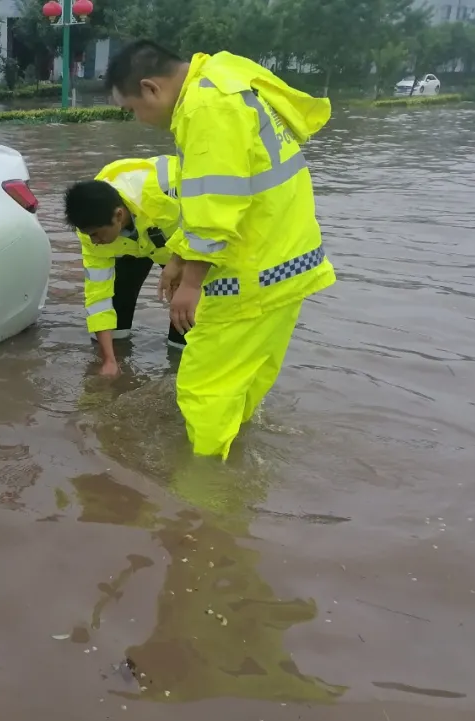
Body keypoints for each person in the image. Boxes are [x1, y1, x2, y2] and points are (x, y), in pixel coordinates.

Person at [104, 41, 337, 459]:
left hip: (249, 275)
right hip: (288, 263)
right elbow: (221, 195)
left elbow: (216, 207)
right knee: (242, 380)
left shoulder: (205, 109)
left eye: (132, 108)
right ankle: (234, 461)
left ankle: (204, 499)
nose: (137, 119)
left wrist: (191, 282)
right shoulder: (225, 78)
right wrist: (176, 256)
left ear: (151, 88)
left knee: (202, 387)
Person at [63, 155, 201, 377]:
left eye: (97, 235)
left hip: (178, 242)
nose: (93, 242)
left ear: (118, 216)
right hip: (129, 247)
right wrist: (109, 360)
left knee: (185, 336)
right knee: (113, 334)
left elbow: (209, 222)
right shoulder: (91, 230)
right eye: (89, 236)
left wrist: (181, 264)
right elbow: (97, 295)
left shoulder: (169, 188)